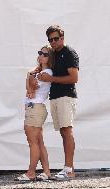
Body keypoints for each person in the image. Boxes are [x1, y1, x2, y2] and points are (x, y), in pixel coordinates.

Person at [37, 25, 79, 180]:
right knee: (63, 132)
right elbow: (43, 63)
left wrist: (51, 79)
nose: (53, 42)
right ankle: (67, 169)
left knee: (67, 131)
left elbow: (74, 78)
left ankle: (69, 170)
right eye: (50, 39)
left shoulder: (69, 52)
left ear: (62, 38)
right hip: (55, 97)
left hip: (66, 96)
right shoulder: (54, 53)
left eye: (55, 38)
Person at [16, 45, 53, 181]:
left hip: (36, 108)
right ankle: (47, 171)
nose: (41, 55)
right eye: (40, 53)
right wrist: (30, 79)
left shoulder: (47, 72)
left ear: (50, 58)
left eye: (45, 54)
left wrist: (30, 80)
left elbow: (33, 85)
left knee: (33, 142)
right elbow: (29, 83)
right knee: (38, 142)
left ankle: (31, 173)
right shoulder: (38, 71)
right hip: (34, 107)